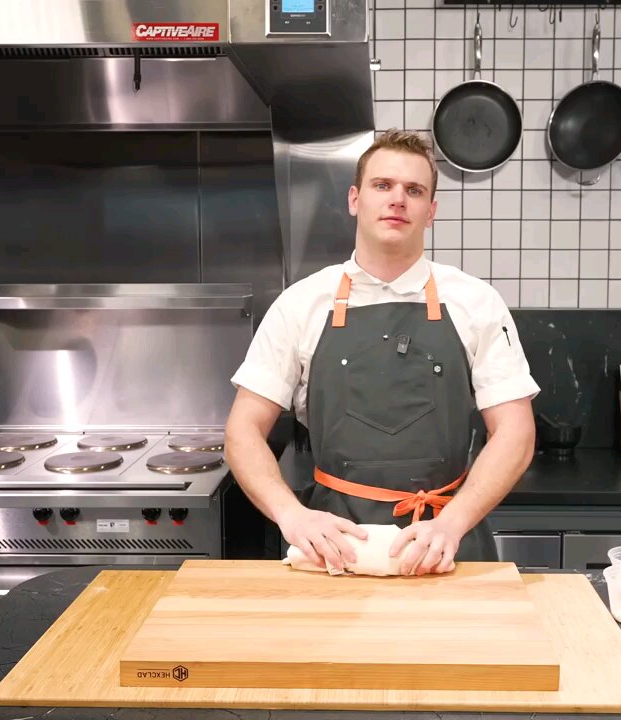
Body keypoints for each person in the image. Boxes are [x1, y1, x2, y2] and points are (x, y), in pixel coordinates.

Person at [224, 129, 539, 577]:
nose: (398, 200)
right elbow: (242, 431)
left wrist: (452, 524)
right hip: (335, 548)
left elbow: (515, 432)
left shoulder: (476, 302)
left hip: (445, 544)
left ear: (431, 211)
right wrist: (292, 515)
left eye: (414, 191)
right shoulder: (302, 303)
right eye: (382, 185)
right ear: (355, 199)